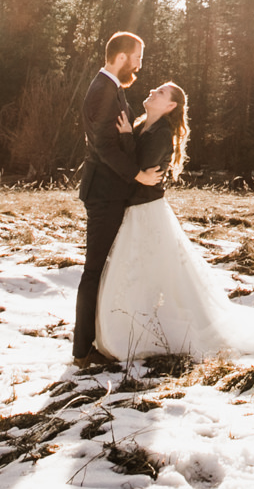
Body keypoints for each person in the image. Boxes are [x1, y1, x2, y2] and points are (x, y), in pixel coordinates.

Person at [94, 81, 254, 361]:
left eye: (160, 92)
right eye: (155, 89)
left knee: (151, 271)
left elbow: (136, 172)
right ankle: (135, 324)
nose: (152, 92)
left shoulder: (160, 134)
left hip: (146, 212)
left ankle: (146, 331)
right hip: (136, 212)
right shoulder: (141, 126)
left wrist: (126, 140)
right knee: (144, 273)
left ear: (171, 106)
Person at [73, 31, 161, 367]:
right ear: (122, 56)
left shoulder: (112, 88)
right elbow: (103, 147)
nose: (139, 64)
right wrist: (138, 175)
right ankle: (82, 351)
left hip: (111, 192)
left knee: (105, 269)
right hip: (104, 194)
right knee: (93, 271)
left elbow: (115, 138)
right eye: (137, 57)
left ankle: (101, 337)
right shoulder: (102, 91)